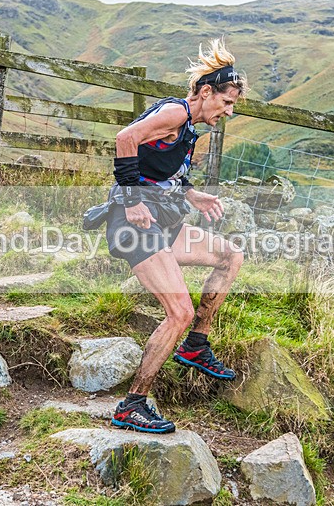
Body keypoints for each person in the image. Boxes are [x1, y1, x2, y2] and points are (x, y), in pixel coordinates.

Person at [107, 38, 248, 434]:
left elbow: (160, 168)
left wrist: (191, 192)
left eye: (233, 105)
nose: (229, 111)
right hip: (133, 224)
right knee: (180, 311)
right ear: (206, 92)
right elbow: (124, 138)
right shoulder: (174, 112)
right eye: (226, 102)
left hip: (163, 224)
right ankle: (132, 405)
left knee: (230, 256)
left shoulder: (188, 126)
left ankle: (195, 346)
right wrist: (132, 199)